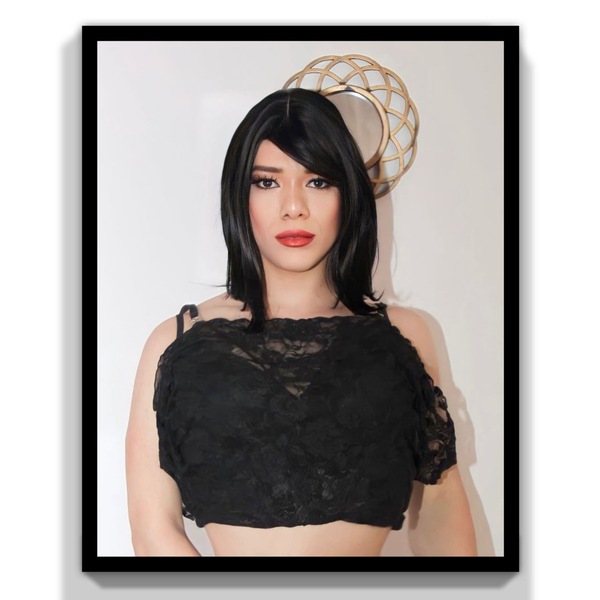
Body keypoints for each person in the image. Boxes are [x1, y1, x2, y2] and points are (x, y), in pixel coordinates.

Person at [125, 87, 477, 557]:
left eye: (318, 181)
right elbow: (154, 531)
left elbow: (440, 509)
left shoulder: (404, 337)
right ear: (239, 195)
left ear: (348, 194)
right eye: (267, 183)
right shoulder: (175, 343)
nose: (294, 206)